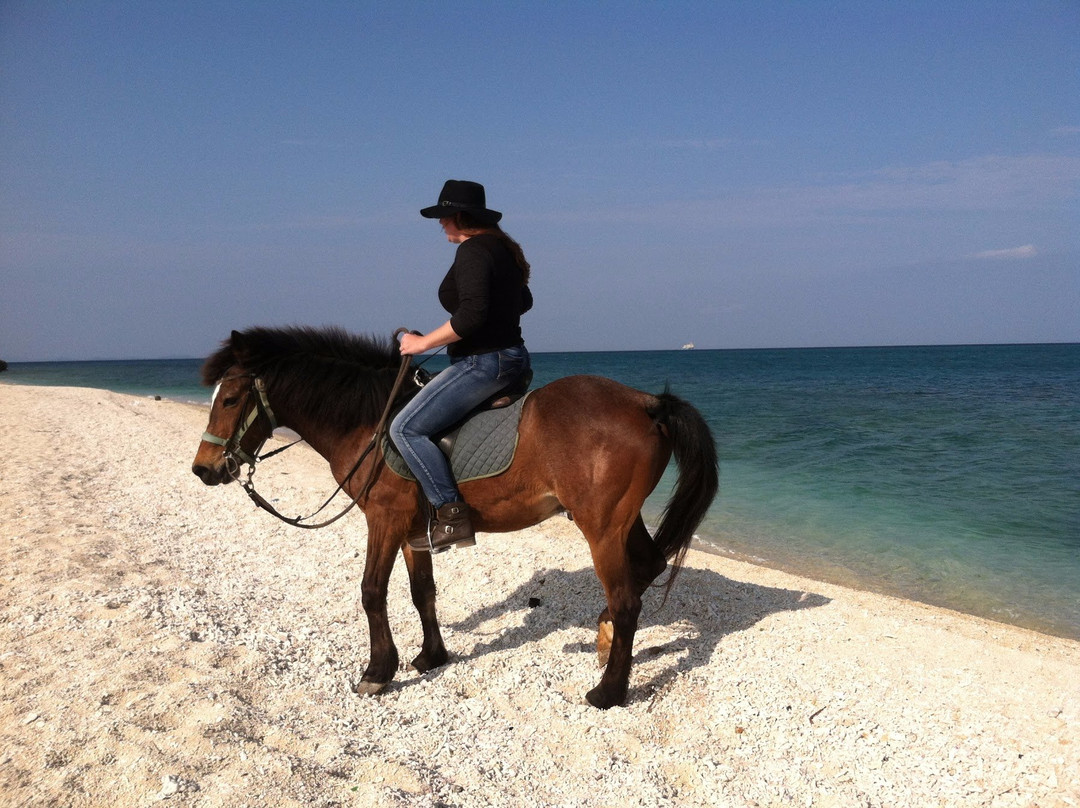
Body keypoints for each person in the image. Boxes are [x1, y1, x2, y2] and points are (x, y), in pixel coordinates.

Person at [390, 180, 533, 553]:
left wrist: (421, 343)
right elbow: (523, 302)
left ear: (460, 217)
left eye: (444, 216)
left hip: (485, 363)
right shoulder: (503, 250)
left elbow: (471, 315)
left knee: (405, 429)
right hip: (512, 358)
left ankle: (452, 516)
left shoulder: (473, 250)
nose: (440, 224)